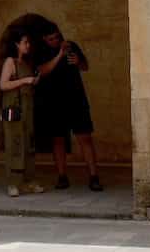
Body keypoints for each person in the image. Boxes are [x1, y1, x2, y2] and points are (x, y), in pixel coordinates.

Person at [36, 23, 104, 192]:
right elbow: (42, 71)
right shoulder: (42, 52)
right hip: (54, 102)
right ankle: (62, 176)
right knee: (58, 140)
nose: (55, 41)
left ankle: (94, 177)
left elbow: (85, 67)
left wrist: (79, 61)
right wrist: (59, 55)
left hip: (76, 100)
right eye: (51, 39)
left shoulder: (71, 45)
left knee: (85, 138)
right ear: (45, 39)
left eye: (57, 37)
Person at [0, 22, 51, 197]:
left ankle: (29, 181)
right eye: (25, 42)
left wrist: (33, 81)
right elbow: (3, 85)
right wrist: (24, 81)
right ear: (16, 45)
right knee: (15, 144)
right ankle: (13, 183)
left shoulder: (25, 63)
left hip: (27, 109)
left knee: (28, 144)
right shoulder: (10, 62)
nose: (28, 45)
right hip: (14, 108)